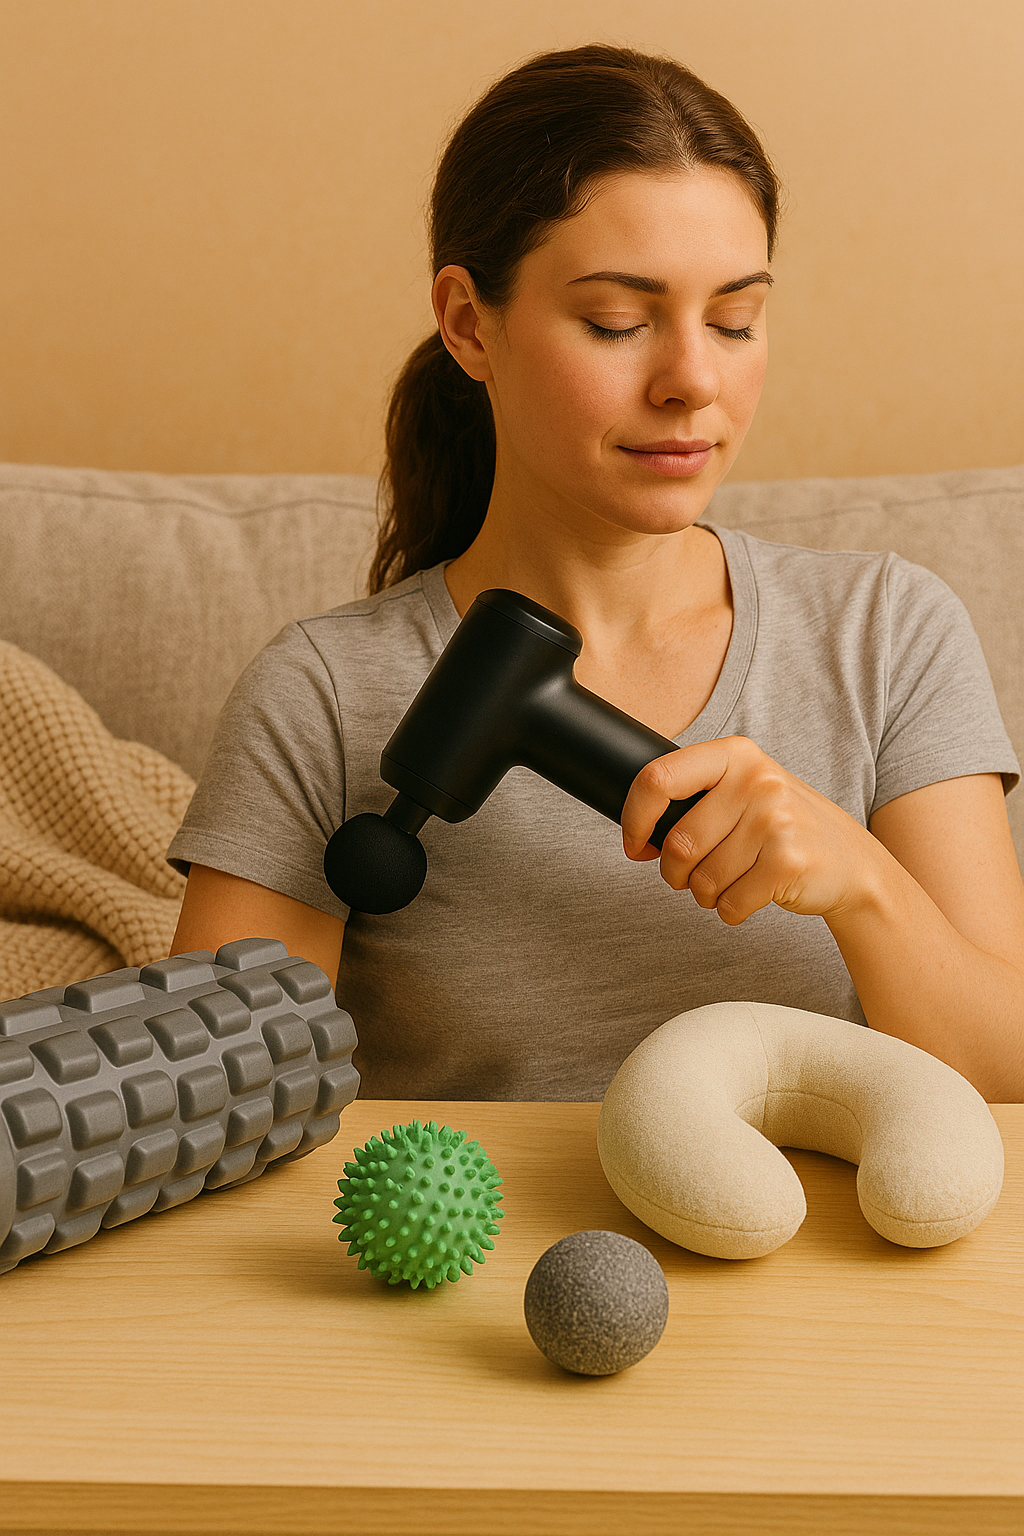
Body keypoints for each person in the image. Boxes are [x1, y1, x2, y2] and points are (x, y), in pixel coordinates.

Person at [167, 44, 1024, 1103]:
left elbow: (1007, 1083)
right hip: (474, 1267)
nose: (692, 381)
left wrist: (864, 887)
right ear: (470, 324)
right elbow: (214, 1116)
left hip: (819, 1263)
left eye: (734, 319)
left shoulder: (884, 633)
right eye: (618, 322)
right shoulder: (325, 695)